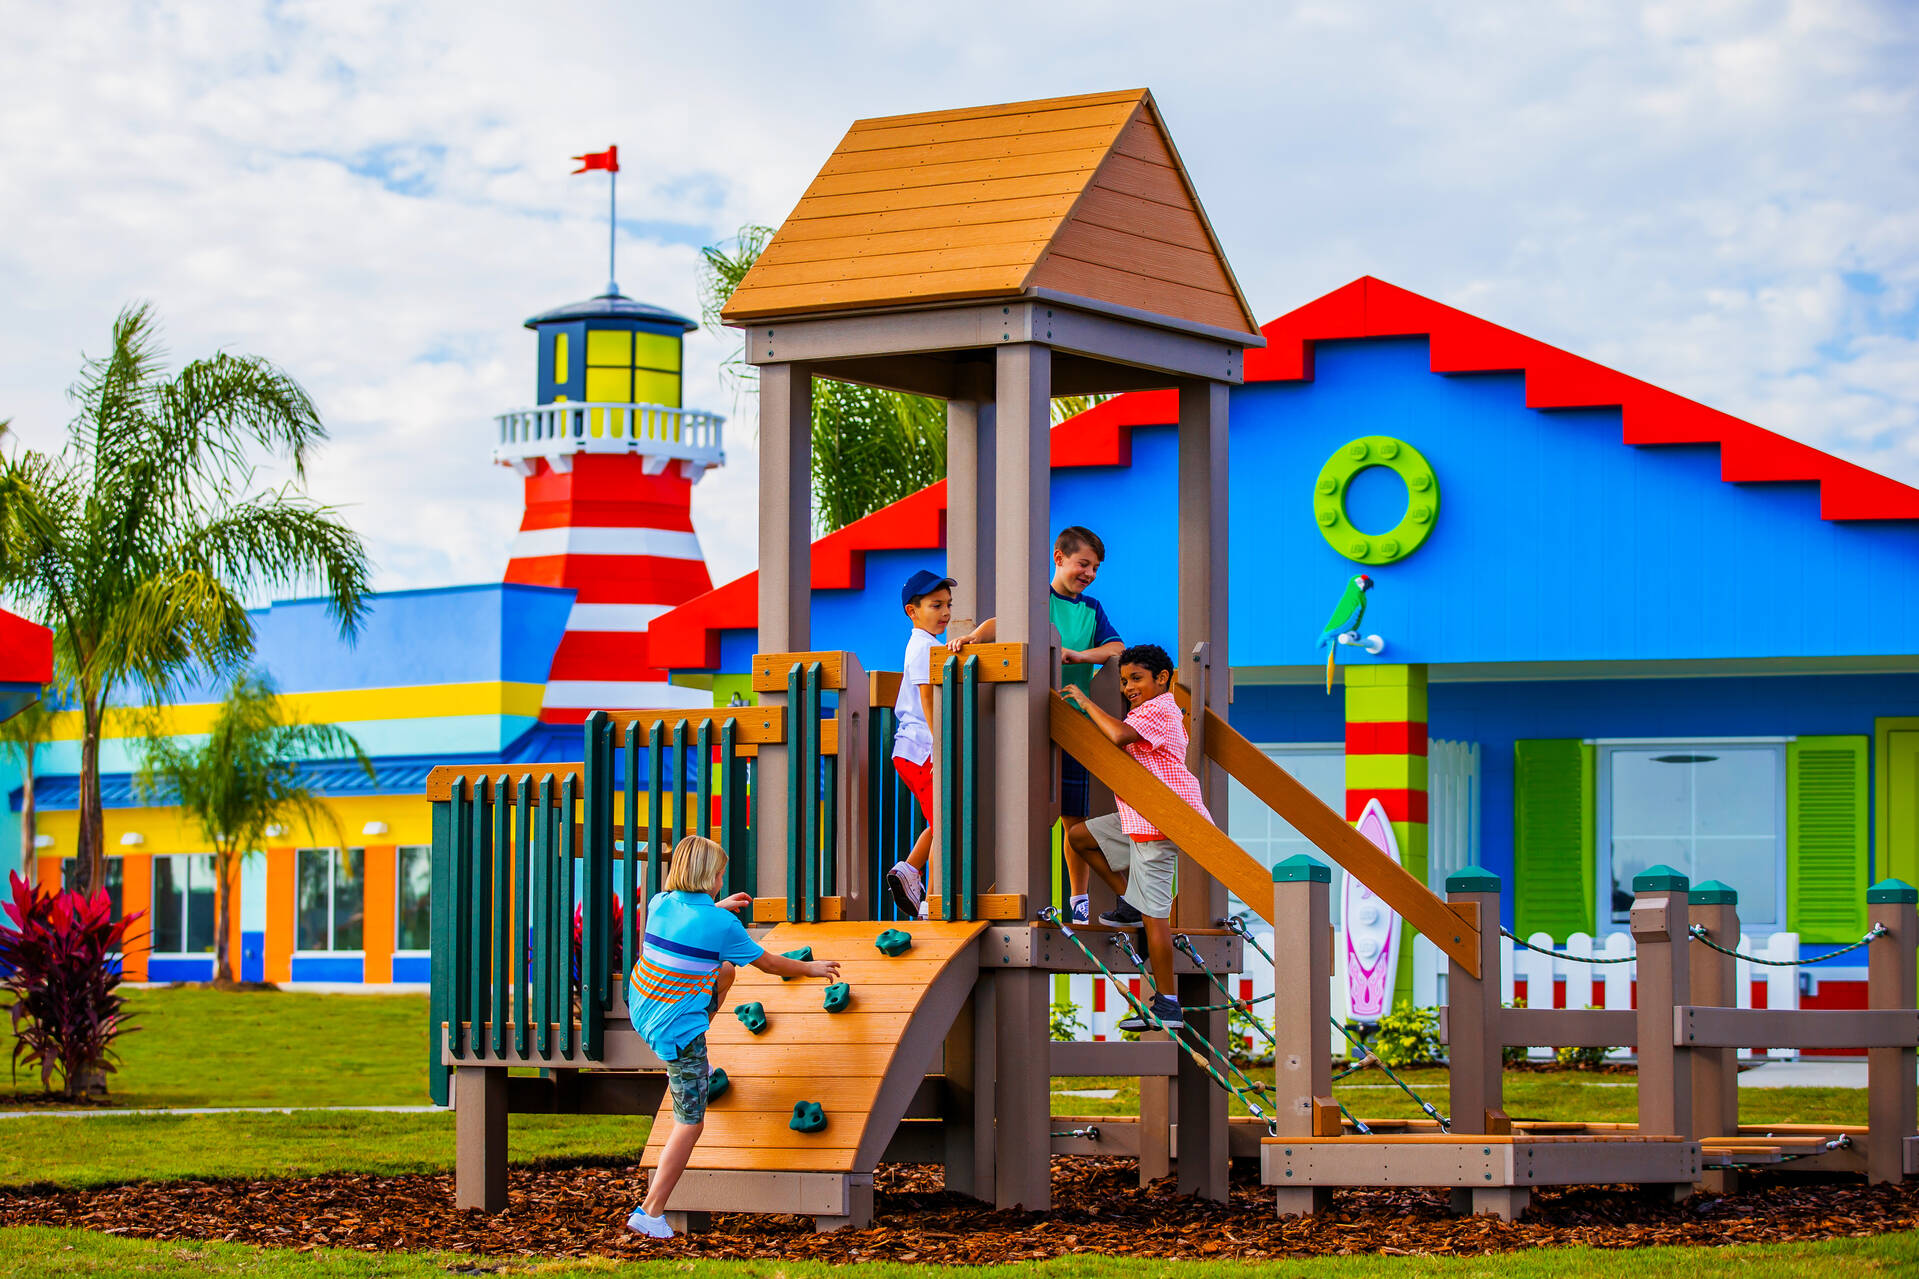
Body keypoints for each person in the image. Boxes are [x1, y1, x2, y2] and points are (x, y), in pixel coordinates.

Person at [625, 835, 840, 1239]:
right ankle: (650, 1212)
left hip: (641, 1006)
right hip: (677, 1032)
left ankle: (694, 1062)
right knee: (690, 1123)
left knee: (725, 971)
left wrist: (717, 908)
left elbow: (693, 926)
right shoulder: (723, 925)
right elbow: (771, 963)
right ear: (710, 877)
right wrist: (812, 970)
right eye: (721, 873)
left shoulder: (660, 902)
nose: (724, 878)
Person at [947, 526, 1122, 923]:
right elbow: (999, 623)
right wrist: (972, 637)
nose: (1089, 573)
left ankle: (1079, 900)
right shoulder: (1035, 602)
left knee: (1075, 816)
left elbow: (1116, 648)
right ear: (1059, 558)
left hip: (1073, 723)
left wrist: (1078, 656)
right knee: (1023, 809)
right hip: (1031, 724)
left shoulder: (1091, 609)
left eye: (1095, 568)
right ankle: (1015, 892)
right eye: (1083, 564)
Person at [1059, 643, 1208, 1031]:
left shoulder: (1161, 708)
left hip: (1162, 822)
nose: (1128, 687)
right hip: (1138, 817)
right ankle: (1128, 902)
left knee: (1155, 918)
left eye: (1136, 679)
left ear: (1162, 679)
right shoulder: (1148, 708)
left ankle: (1169, 1005)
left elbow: (1120, 736)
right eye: (1124, 681)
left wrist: (1085, 702)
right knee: (1079, 837)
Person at [883, 568, 954, 916]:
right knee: (944, 821)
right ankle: (925, 891)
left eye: (947, 605)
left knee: (940, 819)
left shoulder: (927, 645)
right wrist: (941, 744)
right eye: (935, 605)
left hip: (913, 749)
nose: (944, 612)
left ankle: (911, 872)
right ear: (912, 611)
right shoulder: (924, 647)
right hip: (922, 749)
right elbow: (928, 699)